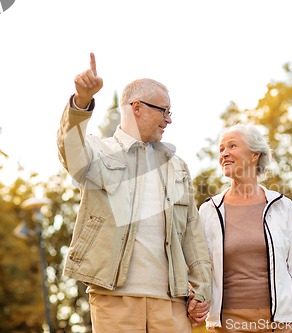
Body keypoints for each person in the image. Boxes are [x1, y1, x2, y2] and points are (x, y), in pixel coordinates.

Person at [57, 53, 211, 333]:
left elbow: (192, 232)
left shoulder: (177, 167)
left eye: (169, 112)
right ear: (137, 107)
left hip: (171, 301)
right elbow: (69, 148)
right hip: (114, 298)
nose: (169, 119)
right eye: (164, 111)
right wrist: (81, 102)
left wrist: (202, 289)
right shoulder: (99, 152)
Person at [199, 124, 292, 333]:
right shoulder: (209, 211)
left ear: (255, 155)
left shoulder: (282, 206)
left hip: (282, 323)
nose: (224, 153)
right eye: (221, 149)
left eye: (232, 146)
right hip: (228, 323)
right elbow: (200, 268)